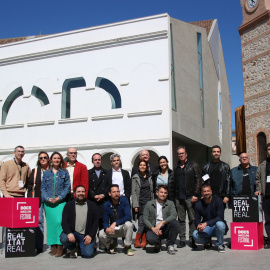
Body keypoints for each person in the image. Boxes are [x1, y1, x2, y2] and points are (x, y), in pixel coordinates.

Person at [41, 152, 70, 257]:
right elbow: (43, 187)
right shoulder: (46, 173)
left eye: (58, 158)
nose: (56, 160)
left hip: (60, 202)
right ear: (51, 160)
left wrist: (59, 197)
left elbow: (67, 187)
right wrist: (47, 198)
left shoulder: (64, 172)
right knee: (51, 224)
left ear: (61, 160)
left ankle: (60, 246)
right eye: (54, 158)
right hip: (48, 203)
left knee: (59, 223)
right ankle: (53, 245)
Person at [173, 146, 201, 249]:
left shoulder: (193, 165)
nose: (181, 155)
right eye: (179, 154)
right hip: (179, 197)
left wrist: (195, 194)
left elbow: (198, 180)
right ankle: (182, 240)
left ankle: (193, 239)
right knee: (181, 220)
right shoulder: (176, 167)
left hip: (190, 197)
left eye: (183, 153)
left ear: (186, 154)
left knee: (192, 220)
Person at [60, 185, 99, 258]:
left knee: (88, 254)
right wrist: (69, 233)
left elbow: (95, 222)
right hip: (74, 233)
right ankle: (72, 248)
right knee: (64, 238)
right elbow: (64, 222)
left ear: (85, 193)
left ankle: (83, 246)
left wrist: (90, 235)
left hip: (85, 235)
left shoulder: (92, 205)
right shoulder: (69, 205)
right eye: (78, 192)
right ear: (74, 193)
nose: (81, 193)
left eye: (83, 192)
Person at [99, 184, 134, 256]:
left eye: (118, 191)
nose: (116, 194)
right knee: (101, 234)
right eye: (114, 192)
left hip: (123, 228)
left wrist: (115, 223)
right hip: (113, 230)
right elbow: (105, 221)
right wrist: (107, 228)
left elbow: (128, 216)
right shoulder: (106, 205)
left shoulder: (124, 200)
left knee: (129, 224)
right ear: (109, 193)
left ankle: (127, 246)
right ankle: (112, 244)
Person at [143, 185, 179, 254]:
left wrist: (162, 222)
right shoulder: (149, 204)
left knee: (175, 223)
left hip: (165, 227)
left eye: (165, 193)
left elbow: (174, 215)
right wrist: (153, 228)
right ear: (157, 193)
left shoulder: (170, 203)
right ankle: (157, 243)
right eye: (161, 192)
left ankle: (170, 244)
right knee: (151, 239)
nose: (163, 194)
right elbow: (145, 218)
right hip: (153, 228)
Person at [27, 151, 50, 254]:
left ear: (48, 159)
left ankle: (53, 244)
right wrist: (30, 199)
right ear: (38, 160)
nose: (43, 159)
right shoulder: (35, 171)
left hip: (50, 199)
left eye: (45, 157)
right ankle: (39, 245)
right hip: (38, 198)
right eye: (41, 158)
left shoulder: (52, 170)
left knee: (52, 221)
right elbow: (30, 186)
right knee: (39, 221)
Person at [193, 184, 227, 253]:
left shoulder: (218, 200)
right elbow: (197, 219)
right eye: (204, 191)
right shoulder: (198, 204)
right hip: (207, 228)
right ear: (202, 193)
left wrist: (206, 223)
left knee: (220, 224)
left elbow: (220, 217)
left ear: (211, 192)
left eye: (208, 191)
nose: (206, 193)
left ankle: (220, 244)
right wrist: (198, 225)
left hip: (216, 226)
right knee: (195, 234)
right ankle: (207, 241)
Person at [87, 153, 108, 250]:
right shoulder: (88, 173)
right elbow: (87, 187)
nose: (97, 161)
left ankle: (102, 241)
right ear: (92, 161)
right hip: (92, 201)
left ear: (101, 161)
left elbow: (109, 186)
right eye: (95, 160)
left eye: (99, 159)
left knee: (102, 222)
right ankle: (93, 240)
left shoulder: (106, 172)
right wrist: (94, 195)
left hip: (103, 201)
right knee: (92, 221)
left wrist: (103, 194)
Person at [132, 160, 154, 248]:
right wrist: (135, 205)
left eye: (144, 165)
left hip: (149, 202)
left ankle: (144, 239)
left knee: (147, 221)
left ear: (147, 166)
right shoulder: (135, 177)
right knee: (141, 222)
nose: (142, 166)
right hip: (140, 202)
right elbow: (133, 192)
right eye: (140, 165)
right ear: (138, 167)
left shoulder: (150, 176)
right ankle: (137, 239)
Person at [255, 143, 270, 248]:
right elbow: (258, 180)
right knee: (268, 220)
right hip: (267, 197)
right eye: (269, 149)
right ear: (266, 152)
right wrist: (259, 190)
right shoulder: (262, 165)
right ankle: (269, 239)